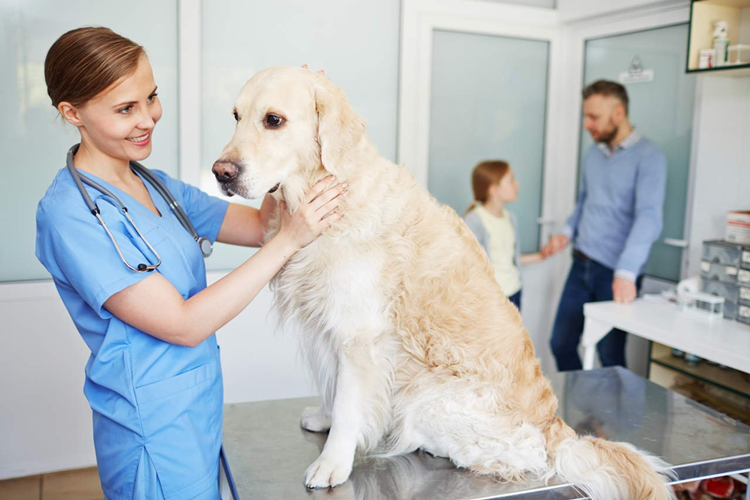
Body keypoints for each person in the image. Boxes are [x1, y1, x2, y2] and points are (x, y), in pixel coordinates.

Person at [36, 27, 347, 499]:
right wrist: (288, 242)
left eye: (151, 98)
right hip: (148, 428)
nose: (148, 119)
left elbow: (254, 223)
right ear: (71, 112)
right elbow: (181, 324)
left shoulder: (155, 184)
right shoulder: (70, 215)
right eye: (126, 109)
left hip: (197, 409)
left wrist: (291, 129)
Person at [543, 80, 666, 372]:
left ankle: (612, 418)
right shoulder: (593, 153)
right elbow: (585, 200)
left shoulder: (650, 157)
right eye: (586, 116)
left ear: (618, 113)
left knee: (610, 357)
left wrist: (626, 272)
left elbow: (649, 217)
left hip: (614, 272)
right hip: (581, 264)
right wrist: (566, 232)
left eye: (593, 117)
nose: (587, 124)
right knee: (560, 344)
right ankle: (582, 411)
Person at [463, 160, 546, 311]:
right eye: (511, 180)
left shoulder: (510, 217)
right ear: (493, 190)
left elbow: (509, 259)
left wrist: (541, 256)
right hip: (491, 298)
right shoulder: (474, 221)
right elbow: (467, 266)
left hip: (514, 292)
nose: (517, 184)